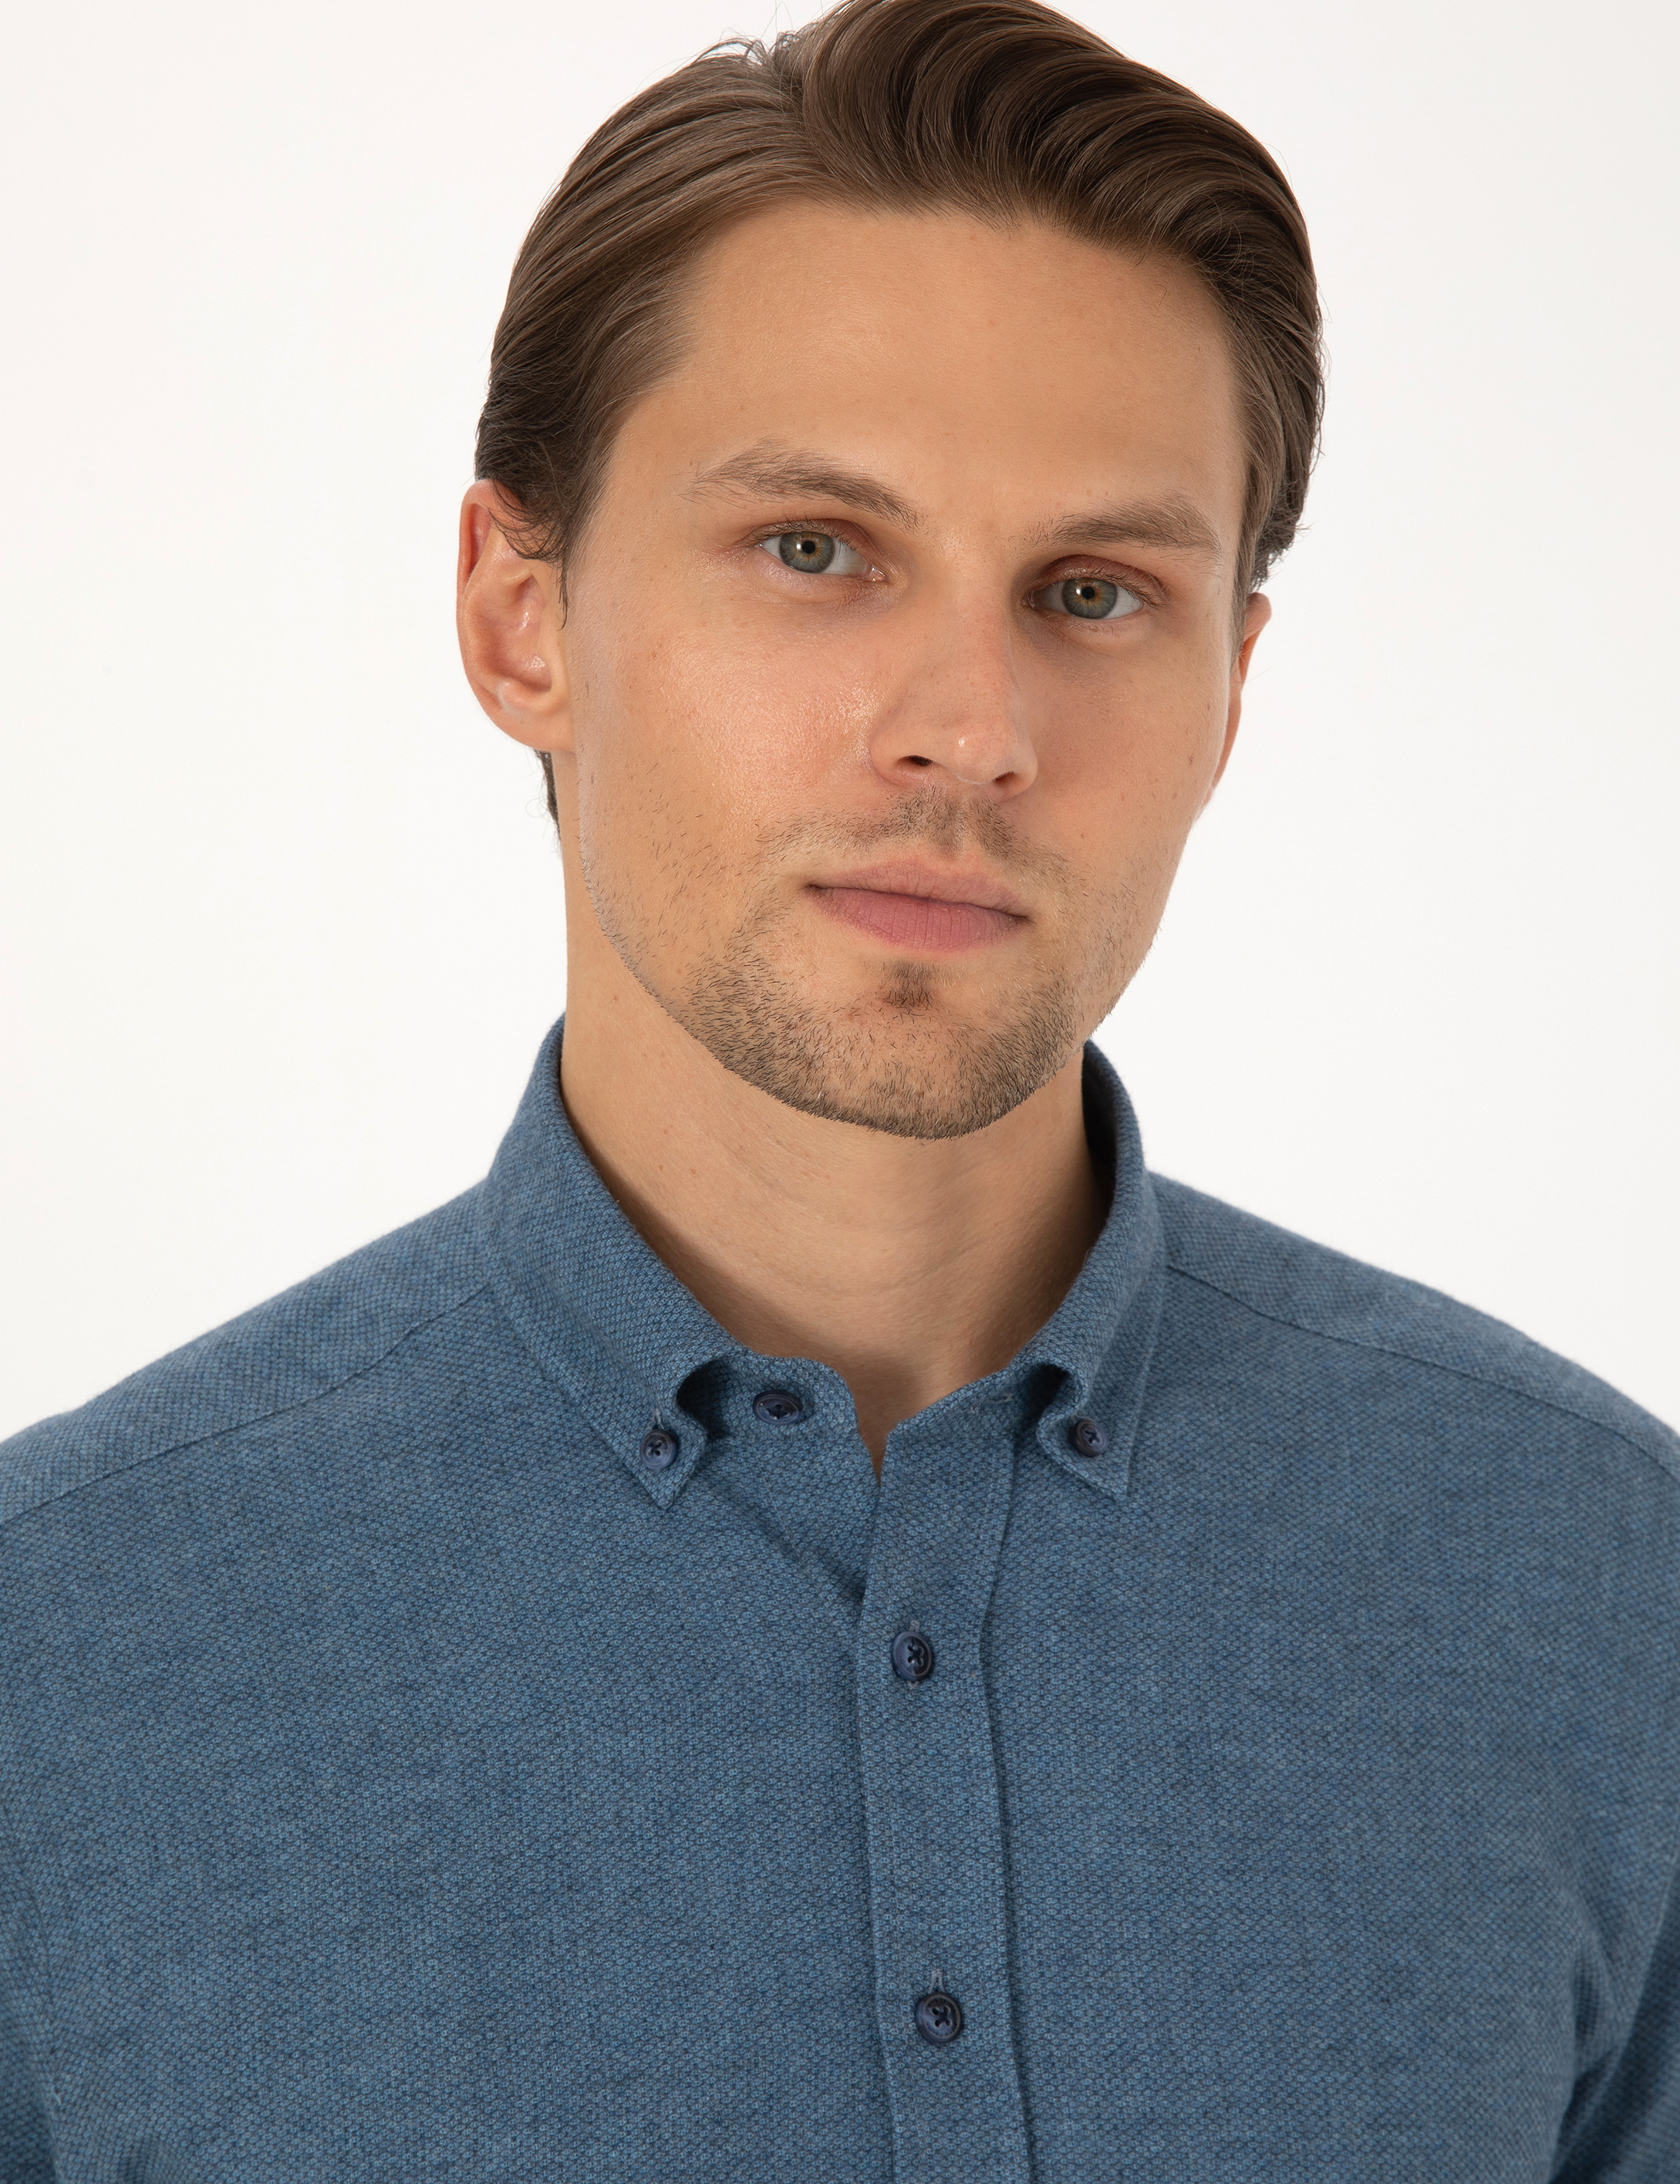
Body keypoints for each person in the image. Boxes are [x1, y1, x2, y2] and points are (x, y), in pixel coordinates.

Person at [2, 0, 1675, 2174]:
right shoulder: (61, 1653)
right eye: (814, 548)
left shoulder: (1607, 1591)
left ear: (1229, 694)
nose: (971, 726)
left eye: (1095, 591)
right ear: (521, 622)